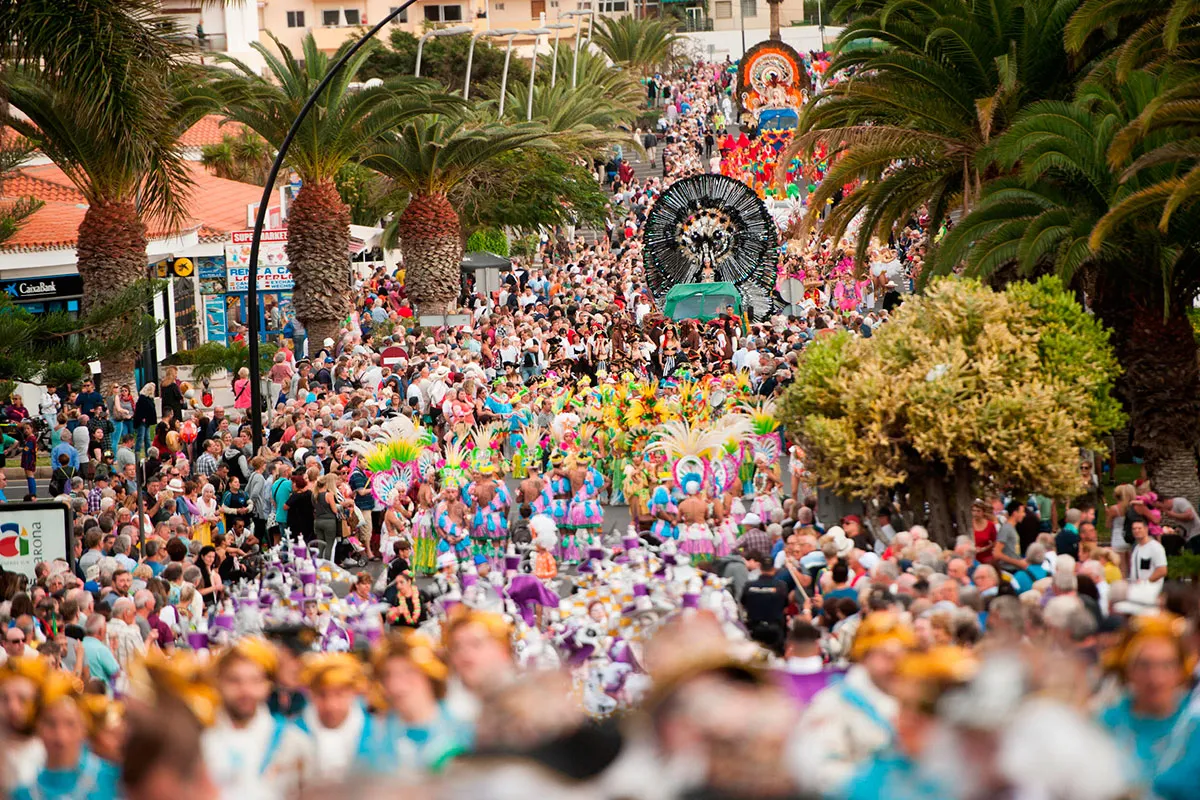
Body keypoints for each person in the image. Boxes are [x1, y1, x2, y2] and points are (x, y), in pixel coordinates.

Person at [792, 612, 914, 794]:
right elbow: (815, 768)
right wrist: (864, 785)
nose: (896, 665)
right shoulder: (833, 703)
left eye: (902, 655)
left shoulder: (915, 701)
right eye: (887, 657)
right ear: (864, 656)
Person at [201, 638, 313, 798]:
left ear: (267, 685)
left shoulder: (292, 742)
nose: (246, 690)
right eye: (235, 680)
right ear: (219, 682)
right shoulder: (200, 740)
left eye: (255, 681)